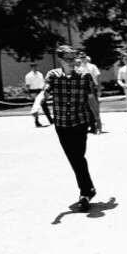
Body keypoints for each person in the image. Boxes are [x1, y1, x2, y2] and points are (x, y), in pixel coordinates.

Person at [32, 45, 99, 211]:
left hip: (80, 122)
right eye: (68, 59)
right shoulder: (53, 75)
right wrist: (36, 104)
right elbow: (45, 92)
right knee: (74, 158)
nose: (72, 62)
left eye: (73, 58)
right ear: (60, 59)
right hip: (61, 124)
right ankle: (87, 190)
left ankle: (86, 191)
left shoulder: (85, 76)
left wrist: (97, 118)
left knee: (78, 156)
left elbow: (91, 98)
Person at [78, 53, 102, 133]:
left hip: (92, 88)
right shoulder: (78, 68)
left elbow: (98, 76)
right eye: (81, 57)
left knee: (94, 108)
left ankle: (98, 126)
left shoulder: (92, 66)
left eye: (84, 57)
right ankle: (91, 126)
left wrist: (99, 89)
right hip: (83, 90)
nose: (82, 59)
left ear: (86, 58)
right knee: (86, 109)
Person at [26, 62, 53, 127]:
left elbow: (43, 83)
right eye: (35, 66)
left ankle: (51, 120)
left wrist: (44, 91)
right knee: (36, 108)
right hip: (33, 92)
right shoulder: (28, 75)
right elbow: (28, 86)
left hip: (40, 91)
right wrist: (29, 94)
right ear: (32, 67)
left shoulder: (40, 74)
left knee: (45, 107)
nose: (36, 68)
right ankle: (36, 121)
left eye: (36, 66)